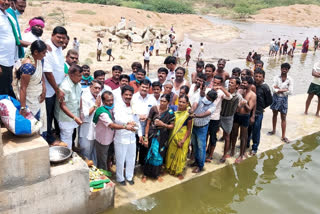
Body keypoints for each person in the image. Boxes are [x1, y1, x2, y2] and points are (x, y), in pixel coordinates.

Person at [93, 90, 136, 171]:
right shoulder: (102, 112)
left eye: (112, 100)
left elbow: (118, 118)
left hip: (111, 139)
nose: (111, 102)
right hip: (103, 141)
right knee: (102, 160)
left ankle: (108, 170)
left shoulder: (112, 108)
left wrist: (128, 122)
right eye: (108, 100)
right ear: (103, 101)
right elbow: (111, 125)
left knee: (109, 156)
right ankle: (104, 177)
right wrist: (125, 126)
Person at [142, 94, 175, 182]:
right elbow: (148, 123)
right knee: (149, 153)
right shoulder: (154, 109)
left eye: (164, 101)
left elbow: (172, 126)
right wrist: (145, 136)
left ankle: (156, 174)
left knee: (159, 155)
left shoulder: (170, 112)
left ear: (168, 102)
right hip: (152, 135)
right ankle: (145, 174)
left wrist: (163, 124)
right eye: (161, 101)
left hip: (162, 137)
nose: (162, 103)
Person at [43, 26, 68, 144]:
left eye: (63, 38)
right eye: (59, 37)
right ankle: (47, 138)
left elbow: (59, 69)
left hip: (56, 88)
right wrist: (57, 90)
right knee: (47, 114)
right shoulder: (47, 48)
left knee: (53, 113)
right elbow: (48, 73)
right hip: (48, 90)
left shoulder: (58, 48)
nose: (61, 40)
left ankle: (50, 133)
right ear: (52, 35)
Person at [114, 85, 142, 185]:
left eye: (130, 95)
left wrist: (140, 134)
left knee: (131, 158)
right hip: (121, 137)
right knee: (120, 159)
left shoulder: (134, 105)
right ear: (122, 95)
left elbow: (137, 120)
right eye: (126, 94)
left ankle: (129, 176)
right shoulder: (117, 105)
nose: (128, 97)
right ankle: (120, 178)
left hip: (132, 138)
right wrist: (129, 122)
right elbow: (117, 119)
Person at [16, 40, 47, 120]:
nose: (45, 55)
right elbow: (23, 88)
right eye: (43, 53)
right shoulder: (28, 68)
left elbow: (41, 74)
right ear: (36, 52)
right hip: (28, 101)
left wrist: (44, 88)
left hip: (37, 98)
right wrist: (23, 108)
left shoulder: (39, 60)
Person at [55, 64, 83, 149]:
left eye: (81, 75)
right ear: (71, 75)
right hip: (66, 118)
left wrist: (80, 113)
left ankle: (70, 153)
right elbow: (62, 106)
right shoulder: (64, 86)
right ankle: (67, 156)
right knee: (66, 139)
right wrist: (75, 118)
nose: (81, 78)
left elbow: (79, 99)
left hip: (75, 115)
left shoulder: (77, 84)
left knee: (71, 137)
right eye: (79, 75)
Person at [189, 90, 217, 173]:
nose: (206, 99)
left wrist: (195, 115)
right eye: (206, 97)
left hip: (202, 128)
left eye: (208, 98)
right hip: (194, 126)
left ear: (212, 100)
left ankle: (200, 166)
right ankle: (196, 161)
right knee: (195, 144)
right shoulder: (201, 99)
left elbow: (205, 114)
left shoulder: (213, 106)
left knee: (201, 147)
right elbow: (195, 104)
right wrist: (192, 110)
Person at [165, 95, 193, 180]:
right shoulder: (173, 110)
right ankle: (169, 168)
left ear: (187, 104)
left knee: (180, 153)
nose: (181, 103)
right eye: (180, 101)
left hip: (182, 137)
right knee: (171, 152)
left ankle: (178, 172)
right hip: (172, 136)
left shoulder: (188, 115)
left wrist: (183, 140)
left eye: (183, 102)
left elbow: (188, 130)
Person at [230, 77, 256, 163]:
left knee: (243, 136)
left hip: (245, 116)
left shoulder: (253, 95)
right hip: (237, 115)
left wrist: (245, 103)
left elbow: (249, 109)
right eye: (243, 83)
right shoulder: (240, 91)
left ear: (250, 84)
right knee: (234, 134)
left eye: (245, 83)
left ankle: (241, 155)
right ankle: (232, 151)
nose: (243, 84)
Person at [247, 68, 273, 155]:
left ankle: (254, 147)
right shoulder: (251, 85)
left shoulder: (265, 87)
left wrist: (262, 107)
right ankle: (246, 144)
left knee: (256, 130)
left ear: (263, 78)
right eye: (256, 76)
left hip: (258, 112)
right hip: (249, 110)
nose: (257, 78)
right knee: (247, 129)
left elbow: (270, 101)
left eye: (259, 77)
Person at [131, 79, 157, 166]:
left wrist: (147, 116)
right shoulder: (133, 97)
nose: (144, 89)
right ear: (139, 86)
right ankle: (132, 165)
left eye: (147, 87)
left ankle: (142, 165)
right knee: (133, 148)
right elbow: (130, 110)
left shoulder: (152, 98)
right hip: (134, 128)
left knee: (144, 148)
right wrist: (138, 116)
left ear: (149, 88)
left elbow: (155, 112)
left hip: (147, 128)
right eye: (143, 87)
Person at [206, 75, 231, 162]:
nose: (215, 85)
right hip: (206, 117)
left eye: (218, 83)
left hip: (215, 118)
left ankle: (210, 155)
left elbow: (229, 97)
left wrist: (221, 88)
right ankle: (205, 151)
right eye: (214, 82)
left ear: (221, 84)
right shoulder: (208, 90)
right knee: (205, 136)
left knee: (213, 137)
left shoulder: (221, 93)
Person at [268, 63, 293, 143]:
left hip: (284, 99)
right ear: (281, 68)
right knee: (274, 114)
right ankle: (273, 130)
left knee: (283, 117)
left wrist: (279, 90)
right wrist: (284, 89)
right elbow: (273, 89)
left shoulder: (290, 79)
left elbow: (290, 91)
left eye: (286, 68)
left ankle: (283, 136)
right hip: (275, 98)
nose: (284, 70)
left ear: (288, 70)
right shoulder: (276, 77)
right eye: (283, 68)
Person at [79, 80, 102, 163]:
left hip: (96, 128)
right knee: (86, 151)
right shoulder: (85, 97)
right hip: (87, 128)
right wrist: (95, 106)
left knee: (95, 152)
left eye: (99, 88)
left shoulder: (99, 96)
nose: (97, 90)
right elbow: (85, 114)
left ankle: (95, 172)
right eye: (95, 88)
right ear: (90, 87)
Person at [220, 77, 242, 163]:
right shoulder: (225, 91)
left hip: (228, 118)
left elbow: (242, 103)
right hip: (219, 115)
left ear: (237, 85)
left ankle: (224, 155)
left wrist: (241, 105)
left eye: (232, 83)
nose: (230, 84)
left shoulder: (238, 96)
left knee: (227, 136)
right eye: (229, 82)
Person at [0, 0, 18, 98]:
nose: (6, 2)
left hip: (9, 62)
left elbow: (15, 39)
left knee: (5, 93)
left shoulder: (9, 17)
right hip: (1, 62)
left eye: (9, 0)